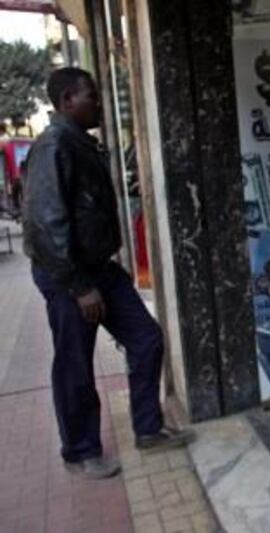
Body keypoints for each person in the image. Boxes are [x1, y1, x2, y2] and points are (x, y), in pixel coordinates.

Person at [22, 67, 193, 479]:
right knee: (75, 363)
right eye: (91, 97)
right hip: (70, 277)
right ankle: (80, 452)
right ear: (67, 101)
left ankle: (148, 429)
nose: (99, 103)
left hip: (99, 269)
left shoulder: (80, 143)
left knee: (147, 339)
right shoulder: (54, 146)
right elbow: (46, 222)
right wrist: (79, 287)